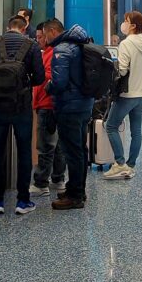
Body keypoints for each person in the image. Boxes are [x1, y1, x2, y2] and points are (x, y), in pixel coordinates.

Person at [0, 15, 45, 216]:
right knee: (24, 151)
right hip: (22, 107)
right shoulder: (31, 46)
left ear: (8, 27)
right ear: (24, 28)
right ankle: (22, 201)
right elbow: (40, 77)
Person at [43, 18, 94, 210]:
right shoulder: (80, 44)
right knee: (80, 149)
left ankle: (75, 196)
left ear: (53, 31)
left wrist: (48, 87)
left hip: (69, 107)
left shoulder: (62, 49)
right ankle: (77, 188)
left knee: (72, 152)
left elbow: (60, 82)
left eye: (46, 34)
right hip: (84, 104)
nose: (46, 39)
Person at [104, 11, 142, 179]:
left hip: (128, 93)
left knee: (110, 126)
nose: (123, 23)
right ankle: (130, 166)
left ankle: (119, 163)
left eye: (126, 21)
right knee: (136, 131)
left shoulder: (126, 44)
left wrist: (113, 66)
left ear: (133, 26)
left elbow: (122, 69)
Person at [29, 22, 66, 196]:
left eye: (41, 36)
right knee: (56, 145)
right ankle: (58, 178)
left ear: (50, 32)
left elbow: (50, 77)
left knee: (45, 145)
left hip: (47, 104)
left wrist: (36, 76)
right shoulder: (54, 52)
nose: (39, 40)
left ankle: (40, 182)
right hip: (52, 104)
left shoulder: (54, 53)